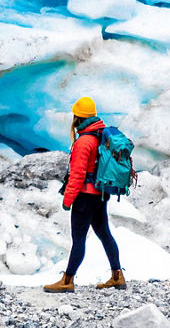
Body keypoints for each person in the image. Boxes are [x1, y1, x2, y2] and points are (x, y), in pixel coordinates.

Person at [43, 95, 125, 292]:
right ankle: (117, 276)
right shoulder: (101, 135)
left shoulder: (84, 141)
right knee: (105, 234)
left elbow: (78, 174)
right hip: (100, 194)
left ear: (77, 118)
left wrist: (68, 199)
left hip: (85, 197)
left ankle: (67, 281)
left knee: (79, 239)